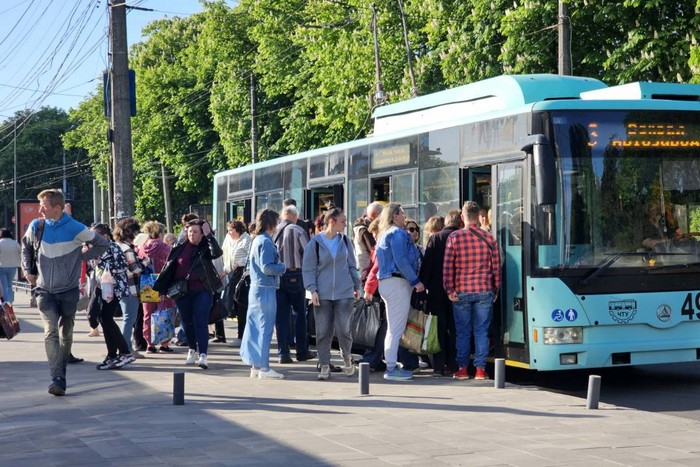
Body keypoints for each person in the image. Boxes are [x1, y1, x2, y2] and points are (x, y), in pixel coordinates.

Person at [21, 189, 109, 396]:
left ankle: (60, 374)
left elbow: (103, 244)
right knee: (50, 332)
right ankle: (57, 378)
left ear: (57, 208)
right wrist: (27, 271)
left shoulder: (76, 228)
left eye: (44, 206)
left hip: (68, 291)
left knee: (66, 333)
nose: (40, 210)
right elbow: (25, 247)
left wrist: (80, 258)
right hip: (44, 290)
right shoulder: (37, 226)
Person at [443, 201, 501, 380]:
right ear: (478, 216)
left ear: (463, 217)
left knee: (463, 332)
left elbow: (447, 266)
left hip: (461, 291)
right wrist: (496, 288)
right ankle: (480, 370)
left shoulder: (454, 237)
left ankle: (462, 369)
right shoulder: (490, 238)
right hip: (484, 290)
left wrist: (449, 289)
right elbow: (496, 267)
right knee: (481, 332)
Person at [154, 220, 223, 369]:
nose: (192, 234)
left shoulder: (205, 247)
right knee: (187, 322)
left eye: (196, 232)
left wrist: (209, 236)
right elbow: (169, 268)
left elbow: (217, 253)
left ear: (202, 234)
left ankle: (203, 354)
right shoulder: (179, 246)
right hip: (182, 292)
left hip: (202, 290)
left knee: (200, 321)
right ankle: (192, 349)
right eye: (190, 231)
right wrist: (162, 289)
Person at [303, 207, 361, 380]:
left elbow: (352, 265)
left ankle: (347, 357)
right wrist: (312, 289)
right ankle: (324, 364)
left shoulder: (345, 241)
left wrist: (357, 285)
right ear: (331, 222)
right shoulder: (315, 243)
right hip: (322, 293)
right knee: (323, 331)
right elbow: (308, 269)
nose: (345, 224)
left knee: (344, 329)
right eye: (343, 221)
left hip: (345, 292)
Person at [375, 203, 425, 382]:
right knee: (395, 329)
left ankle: (391, 365)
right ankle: (391, 368)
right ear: (395, 216)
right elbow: (401, 260)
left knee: (393, 327)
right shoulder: (397, 233)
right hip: (397, 283)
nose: (405, 217)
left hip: (387, 282)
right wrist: (415, 281)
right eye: (403, 214)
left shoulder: (385, 234)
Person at [240, 209, 287, 379]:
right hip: (266, 290)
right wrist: (283, 267)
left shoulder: (257, 239)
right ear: (271, 223)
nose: (278, 224)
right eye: (277, 221)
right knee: (265, 329)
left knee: (254, 329)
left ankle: (255, 365)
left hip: (256, 289)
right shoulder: (266, 242)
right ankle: (264, 368)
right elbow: (267, 267)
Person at [419, 209, 463, 376]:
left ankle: (438, 366)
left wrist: (423, 289)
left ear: (446, 222)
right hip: (458, 291)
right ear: (460, 222)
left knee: (439, 328)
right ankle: (454, 364)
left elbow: (427, 266)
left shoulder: (435, 238)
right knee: (456, 328)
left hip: (437, 292)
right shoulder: (463, 237)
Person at [89, 224, 136, 371]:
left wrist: (100, 262)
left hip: (113, 288)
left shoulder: (113, 247)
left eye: (95, 236)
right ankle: (112, 354)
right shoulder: (96, 249)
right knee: (102, 318)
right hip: (102, 287)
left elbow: (121, 267)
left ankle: (124, 352)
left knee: (106, 318)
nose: (91, 239)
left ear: (105, 236)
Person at [273, 204, 316, 364]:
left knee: (281, 316)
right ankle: (301, 351)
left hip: (277, 276)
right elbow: (309, 255)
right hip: (295, 275)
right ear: (294, 217)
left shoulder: (273, 231)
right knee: (299, 314)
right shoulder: (298, 230)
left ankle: (283, 353)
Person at [138, 221, 175, 353]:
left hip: (147, 283)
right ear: (160, 233)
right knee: (164, 312)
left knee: (148, 313)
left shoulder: (142, 248)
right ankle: (164, 343)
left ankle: (150, 343)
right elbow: (171, 266)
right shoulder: (165, 248)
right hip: (163, 283)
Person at [113, 217, 144, 358]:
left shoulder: (115, 246)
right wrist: (145, 263)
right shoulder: (127, 249)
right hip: (130, 287)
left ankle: (124, 347)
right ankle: (126, 349)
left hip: (118, 286)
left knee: (127, 318)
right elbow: (135, 269)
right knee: (129, 319)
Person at [222, 220, 252, 348]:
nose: (229, 233)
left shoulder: (246, 240)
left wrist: (239, 263)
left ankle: (242, 336)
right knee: (235, 303)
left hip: (243, 274)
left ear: (238, 230)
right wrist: (225, 271)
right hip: (234, 274)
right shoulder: (233, 241)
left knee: (241, 305)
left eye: (231, 230)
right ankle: (242, 334)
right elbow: (230, 259)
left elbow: (251, 257)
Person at [353, 202, 383, 283]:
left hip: (368, 270)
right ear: (375, 215)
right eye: (382, 214)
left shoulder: (362, 228)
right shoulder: (365, 231)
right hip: (369, 271)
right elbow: (375, 251)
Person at [0, 227, 21, 304]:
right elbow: (20, 252)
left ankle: (5, 302)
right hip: (13, 266)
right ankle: (10, 301)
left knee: (4, 286)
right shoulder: (15, 243)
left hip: (2, 266)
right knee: (9, 284)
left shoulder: (0, 243)